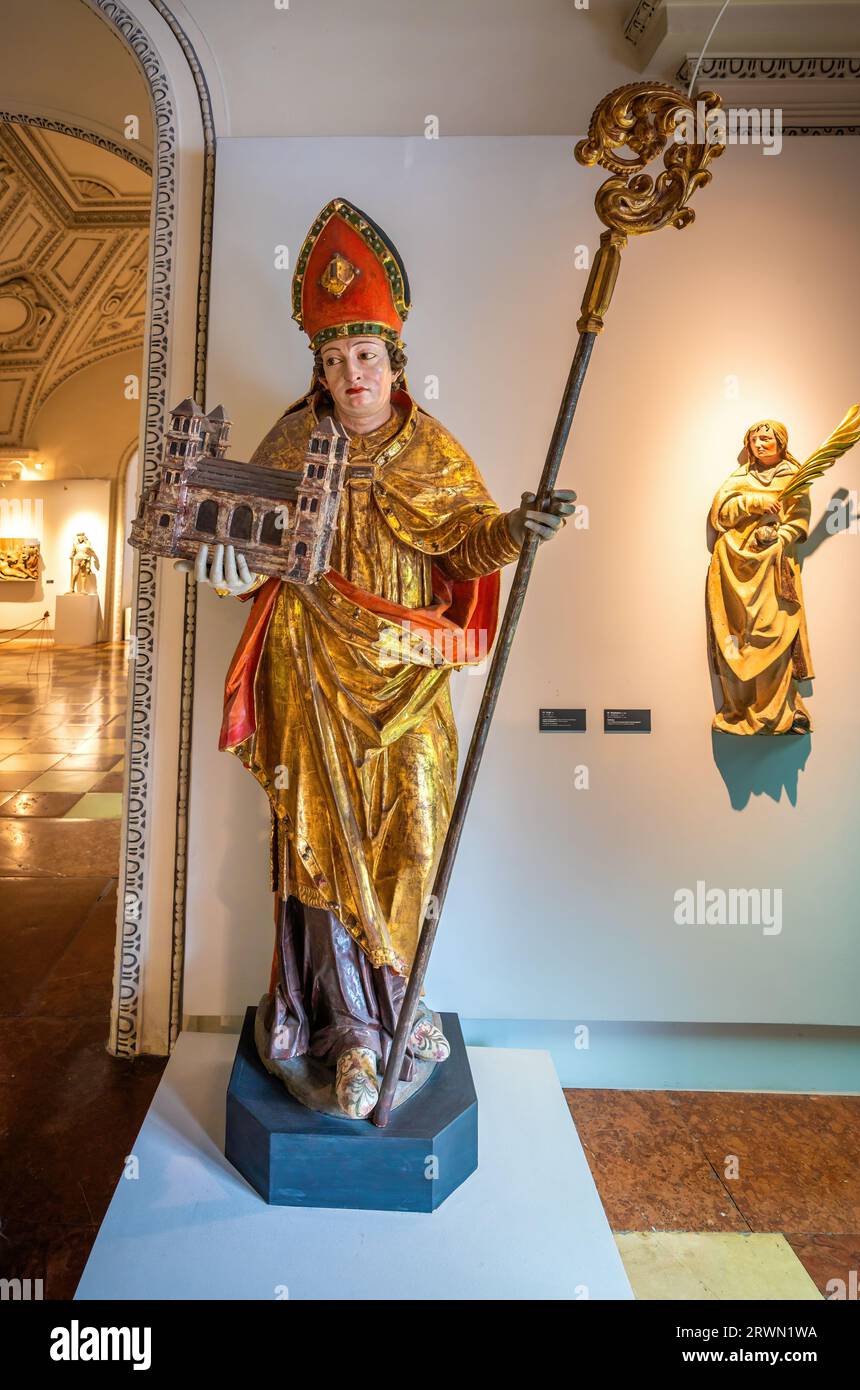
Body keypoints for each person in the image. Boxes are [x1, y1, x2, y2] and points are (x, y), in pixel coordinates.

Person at [180, 198, 574, 1116]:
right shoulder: (289, 440)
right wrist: (224, 573)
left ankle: (399, 1005)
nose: (349, 373)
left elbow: (467, 545)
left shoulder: (432, 450)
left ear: (394, 362)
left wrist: (516, 527)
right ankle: (341, 1029)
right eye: (331, 358)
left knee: (412, 833)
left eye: (364, 356)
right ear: (317, 364)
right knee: (318, 846)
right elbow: (251, 553)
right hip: (309, 666)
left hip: (405, 669)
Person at [707, 419, 813, 736]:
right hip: (734, 566)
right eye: (755, 437)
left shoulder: (793, 477)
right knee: (739, 637)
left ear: (781, 443)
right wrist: (753, 501)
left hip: (773, 569)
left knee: (774, 634)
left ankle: (775, 712)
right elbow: (721, 516)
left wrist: (778, 537)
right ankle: (739, 709)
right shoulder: (740, 478)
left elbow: (799, 519)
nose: (760, 442)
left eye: (767, 438)